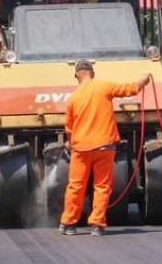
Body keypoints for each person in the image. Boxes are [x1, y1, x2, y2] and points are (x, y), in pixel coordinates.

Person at [60, 60, 151, 236]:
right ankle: (97, 225)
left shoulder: (73, 98)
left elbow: (69, 129)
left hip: (81, 149)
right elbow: (130, 89)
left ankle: (68, 224)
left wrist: (69, 143)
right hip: (104, 147)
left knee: (75, 186)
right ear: (92, 73)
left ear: (77, 75)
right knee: (102, 186)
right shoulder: (103, 87)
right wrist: (144, 80)